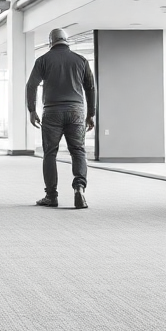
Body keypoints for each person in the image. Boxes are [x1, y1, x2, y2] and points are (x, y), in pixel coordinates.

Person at [26, 28, 96, 210]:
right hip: (76, 111)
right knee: (78, 151)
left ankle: (51, 196)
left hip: (52, 112)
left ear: (51, 42)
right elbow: (90, 87)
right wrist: (91, 114)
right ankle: (79, 188)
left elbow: (31, 85)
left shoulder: (43, 60)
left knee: (50, 153)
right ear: (67, 40)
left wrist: (32, 110)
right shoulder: (80, 60)